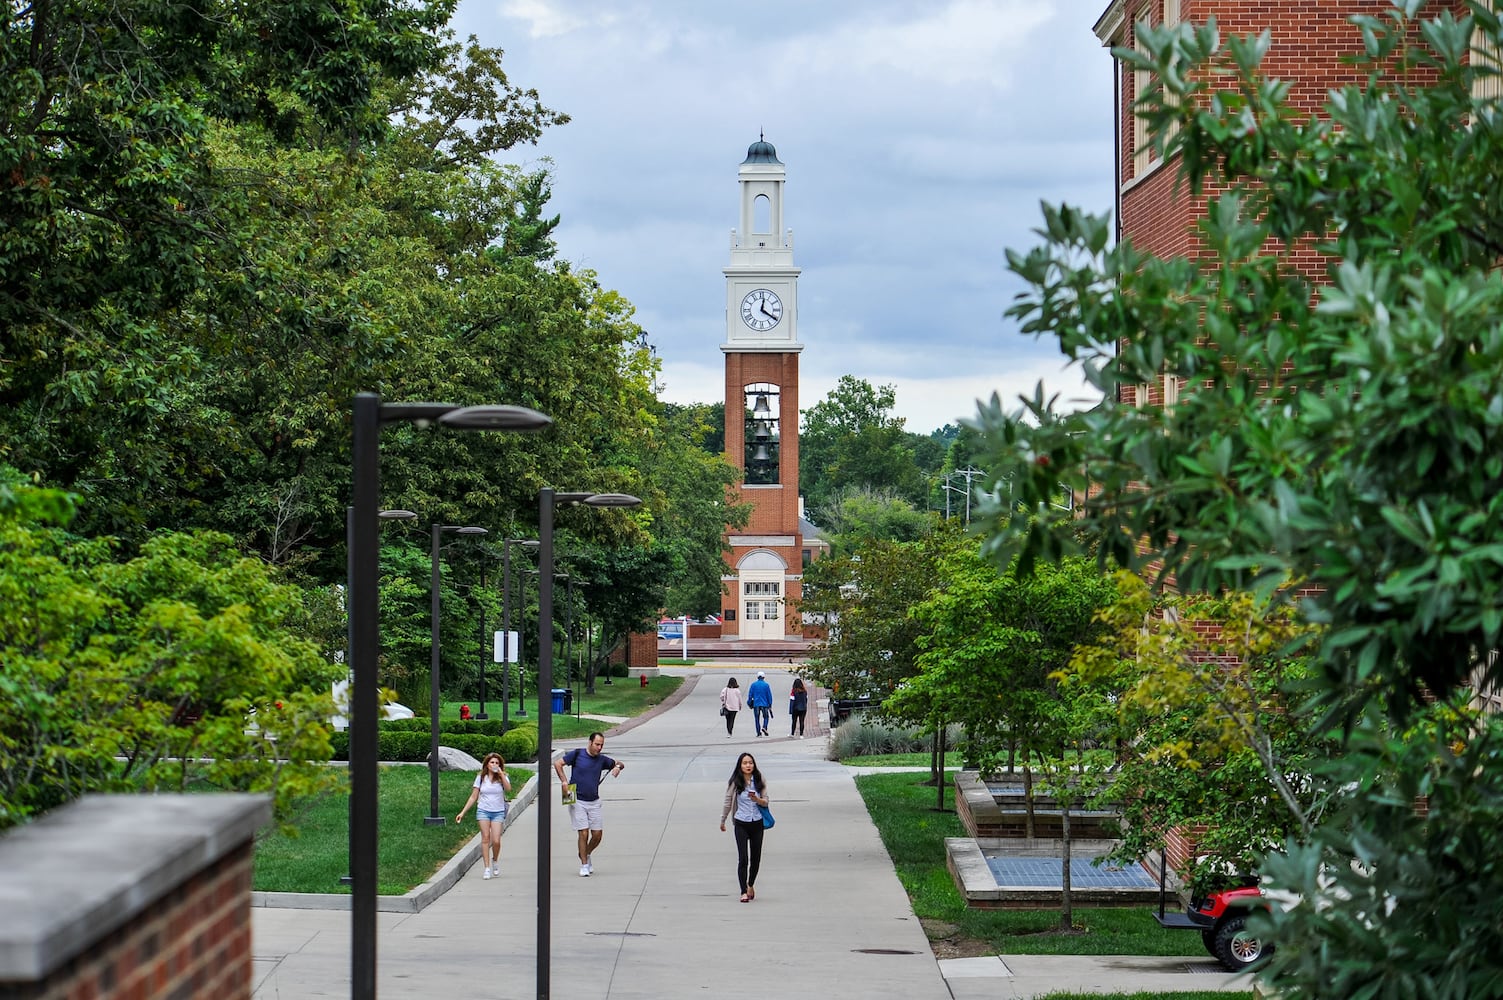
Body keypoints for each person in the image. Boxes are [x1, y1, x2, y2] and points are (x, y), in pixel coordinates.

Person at [554, 732, 624, 877]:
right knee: (583, 832)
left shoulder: (602, 760)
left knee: (597, 835)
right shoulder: (578, 754)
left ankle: (586, 852)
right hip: (577, 799)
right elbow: (558, 763)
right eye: (597, 744)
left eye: (601, 745)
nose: (599, 748)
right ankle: (584, 864)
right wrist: (564, 781)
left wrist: (617, 767)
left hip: (594, 800)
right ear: (590, 742)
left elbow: (619, 763)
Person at [718, 752, 769, 903]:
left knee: (756, 858)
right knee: (743, 859)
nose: (748, 765)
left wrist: (757, 799)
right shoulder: (735, 782)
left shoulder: (760, 780)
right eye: (745, 763)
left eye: (750, 763)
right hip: (741, 822)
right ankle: (743, 892)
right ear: (740, 766)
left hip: (757, 823)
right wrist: (723, 820)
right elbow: (728, 801)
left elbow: (766, 801)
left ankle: (750, 884)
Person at [455, 752, 512, 880]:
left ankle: (495, 860)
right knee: (485, 838)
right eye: (492, 762)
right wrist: (462, 812)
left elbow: (508, 789)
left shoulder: (503, 777)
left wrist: (501, 774)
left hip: (498, 811)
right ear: (487, 764)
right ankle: (486, 868)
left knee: (496, 840)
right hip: (483, 811)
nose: (494, 765)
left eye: (497, 763)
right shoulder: (481, 777)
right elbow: (473, 796)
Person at [747, 670, 773, 737]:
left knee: (757, 718)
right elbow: (769, 695)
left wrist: (749, 703)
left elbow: (750, 695)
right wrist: (770, 704)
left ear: (757, 677)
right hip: (764, 704)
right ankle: (764, 726)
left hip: (756, 704)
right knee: (766, 717)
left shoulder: (753, 685)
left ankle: (758, 733)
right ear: (764, 677)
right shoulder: (766, 685)